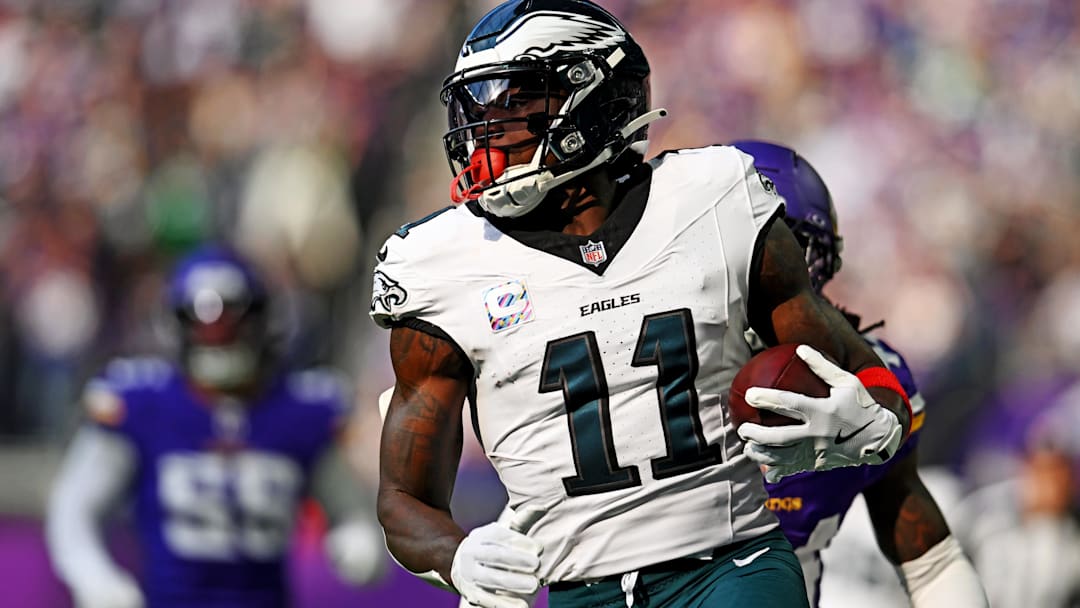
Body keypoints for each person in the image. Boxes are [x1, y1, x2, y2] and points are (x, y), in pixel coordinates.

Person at [370, 2, 913, 607]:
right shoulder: (441, 264)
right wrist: (457, 556)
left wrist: (870, 423)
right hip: (580, 592)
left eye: (518, 103)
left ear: (594, 98)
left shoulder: (714, 200)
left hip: (732, 566)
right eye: (481, 107)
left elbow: (864, 371)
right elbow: (404, 500)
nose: (489, 128)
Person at [46, 246, 385, 608]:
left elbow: (348, 507)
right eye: (205, 326)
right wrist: (95, 577)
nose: (219, 338)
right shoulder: (141, 401)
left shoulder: (302, 407)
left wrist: (359, 537)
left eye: (231, 324)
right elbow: (74, 508)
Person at [731, 140, 988, 608]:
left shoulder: (866, 381)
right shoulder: (656, 372)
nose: (769, 272)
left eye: (786, 250)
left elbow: (931, 561)